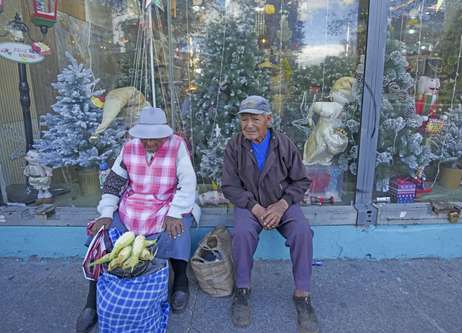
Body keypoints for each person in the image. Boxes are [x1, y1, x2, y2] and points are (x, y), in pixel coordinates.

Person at [76, 107, 199, 332]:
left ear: (165, 134)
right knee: (102, 237)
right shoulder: (129, 147)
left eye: (155, 139)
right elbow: (113, 182)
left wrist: (175, 212)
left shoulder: (177, 145)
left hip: (166, 202)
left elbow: (188, 182)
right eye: (145, 138)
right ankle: (91, 301)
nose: (149, 143)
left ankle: (180, 281)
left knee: (176, 231)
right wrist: (105, 213)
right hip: (132, 205)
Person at [222, 96, 319, 333]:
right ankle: (242, 291)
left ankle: (302, 296)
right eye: (244, 119)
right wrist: (255, 207)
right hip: (250, 204)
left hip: (282, 203)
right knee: (243, 233)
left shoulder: (284, 144)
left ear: (268, 119)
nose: (249, 125)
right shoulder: (235, 146)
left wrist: (282, 205)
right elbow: (229, 186)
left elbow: (300, 180)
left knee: (302, 232)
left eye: (255, 119)